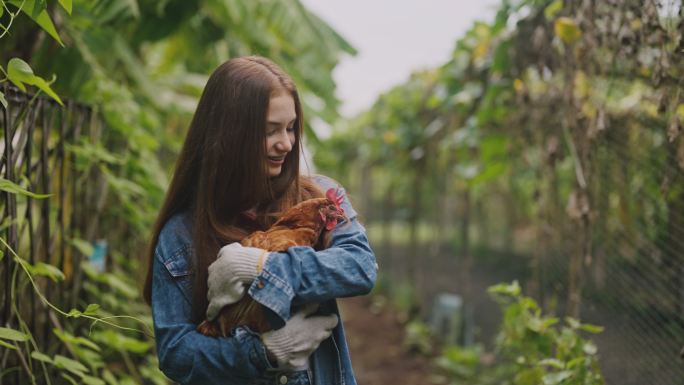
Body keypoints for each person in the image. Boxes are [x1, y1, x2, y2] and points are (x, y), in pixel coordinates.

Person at [142, 56, 377, 385]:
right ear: (231, 135)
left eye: (291, 127)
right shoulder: (182, 236)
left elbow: (360, 268)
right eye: (271, 131)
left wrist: (262, 268)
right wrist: (264, 353)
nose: (287, 142)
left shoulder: (318, 195)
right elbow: (175, 353)